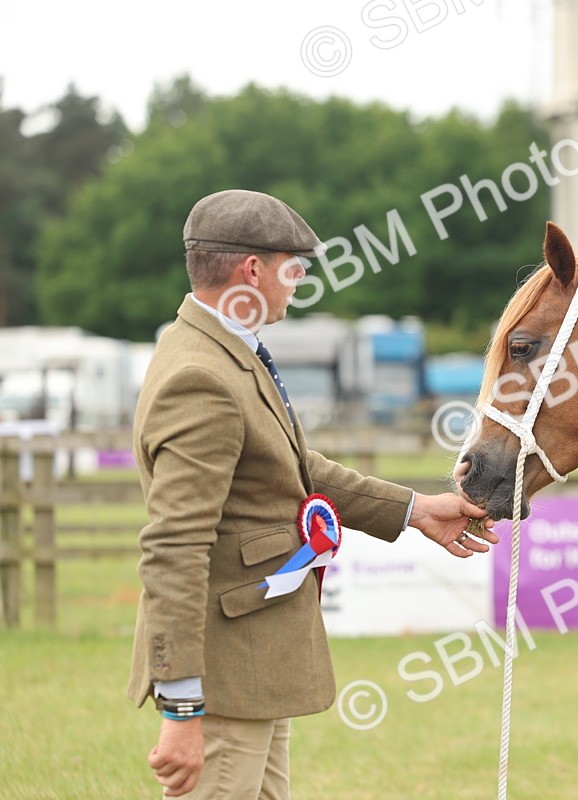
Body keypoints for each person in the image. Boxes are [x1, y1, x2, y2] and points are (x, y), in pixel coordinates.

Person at [128, 189, 499, 799]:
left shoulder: (221, 352)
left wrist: (414, 510)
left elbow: (293, 468)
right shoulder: (202, 375)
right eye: (293, 268)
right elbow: (174, 546)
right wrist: (181, 707)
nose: (299, 283)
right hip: (223, 677)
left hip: (253, 666)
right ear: (253, 270)